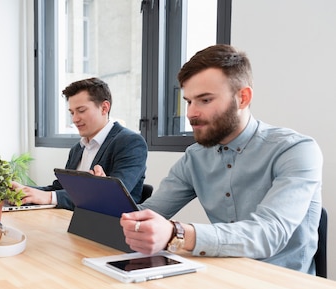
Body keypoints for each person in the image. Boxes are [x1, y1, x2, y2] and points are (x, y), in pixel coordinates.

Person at [120, 44, 322, 274]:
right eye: (188, 101)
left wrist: (178, 233)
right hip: (223, 275)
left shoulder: (296, 150)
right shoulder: (195, 157)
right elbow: (150, 211)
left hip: (284, 288)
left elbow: (268, 233)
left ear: (243, 98)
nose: (191, 113)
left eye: (205, 100)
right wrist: (105, 196)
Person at [12, 77, 148, 210]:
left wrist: (49, 197)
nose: (75, 119)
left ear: (104, 108)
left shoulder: (130, 142)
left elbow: (114, 196)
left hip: (112, 226)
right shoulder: (78, 149)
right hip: (72, 221)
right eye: (72, 112)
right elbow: (60, 189)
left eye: (81, 111)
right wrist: (23, 191)